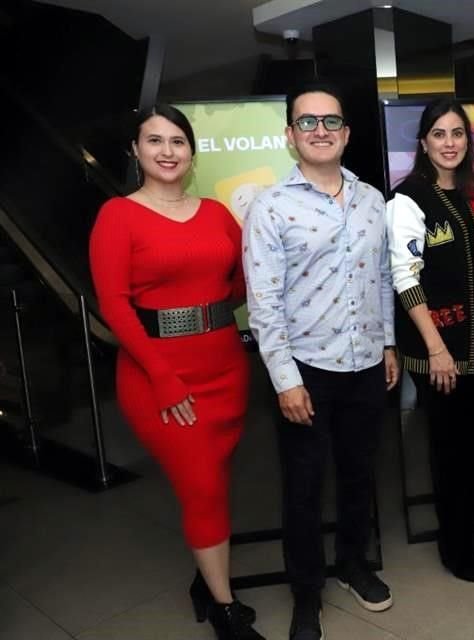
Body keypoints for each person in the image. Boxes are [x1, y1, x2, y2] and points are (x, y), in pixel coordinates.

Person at [89, 105, 263, 640]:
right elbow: (114, 307)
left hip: (226, 368)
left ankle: (203, 581)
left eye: (178, 141)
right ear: (135, 151)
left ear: (191, 152)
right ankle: (225, 611)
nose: (167, 151)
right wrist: (163, 377)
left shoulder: (215, 213)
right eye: (154, 141)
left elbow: (240, 280)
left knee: (213, 482)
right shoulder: (118, 216)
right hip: (159, 378)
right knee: (204, 486)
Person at [243, 83, 398, 640]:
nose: (320, 131)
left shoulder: (371, 199)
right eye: (307, 123)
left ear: (347, 133)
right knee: (304, 487)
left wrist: (386, 345)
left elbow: (381, 277)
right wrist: (285, 380)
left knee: (360, 474)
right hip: (305, 371)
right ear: (290, 135)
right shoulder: (270, 206)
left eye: (330, 121)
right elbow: (264, 303)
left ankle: (354, 564)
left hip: (364, 365)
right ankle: (306, 592)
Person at [386, 98, 474, 584]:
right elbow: (405, 278)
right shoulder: (408, 198)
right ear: (424, 142)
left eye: (457, 134)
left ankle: (465, 534)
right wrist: (435, 349)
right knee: (450, 450)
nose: (449, 143)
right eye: (439, 134)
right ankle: (457, 549)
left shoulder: (471, 195)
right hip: (440, 350)